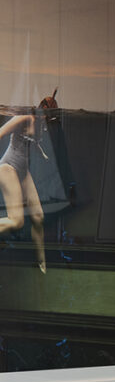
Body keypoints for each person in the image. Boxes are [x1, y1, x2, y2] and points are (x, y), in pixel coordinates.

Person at [0, 108, 46, 272]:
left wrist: (42, 153)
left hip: (22, 170)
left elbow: (33, 142)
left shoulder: (41, 124)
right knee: (17, 221)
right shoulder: (23, 117)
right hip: (8, 167)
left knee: (38, 217)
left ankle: (42, 262)